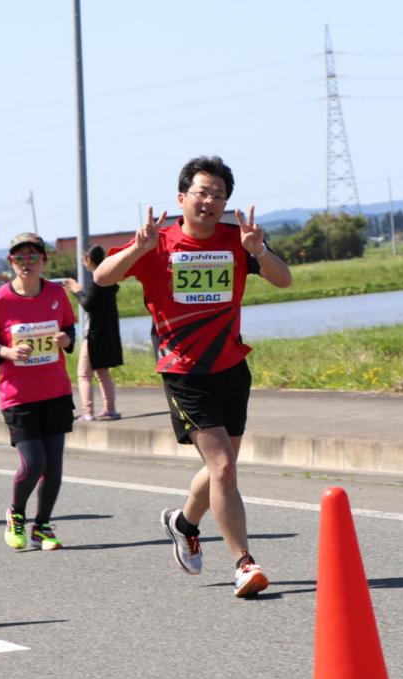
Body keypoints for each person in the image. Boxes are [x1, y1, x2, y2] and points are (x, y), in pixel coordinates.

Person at [94, 155, 293, 598]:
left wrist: (259, 251)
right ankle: (244, 562)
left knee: (223, 467)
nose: (209, 201)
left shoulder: (236, 240)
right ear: (182, 197)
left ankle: (183, 523)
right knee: (222, 465)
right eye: (202, 192)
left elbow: (285, 281)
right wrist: (137, 248)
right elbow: (102, 277)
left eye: (218, 195)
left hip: (231, 366)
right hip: (184, 371)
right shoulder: (158, 243)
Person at [0, 232, 76, 551]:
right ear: (11, 262)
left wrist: (65, 341)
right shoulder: (0, 300)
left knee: (54, 467)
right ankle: (16, 515)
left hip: (56, 390)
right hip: (19, 396)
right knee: (34, 464)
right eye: (20, 258)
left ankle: (42, 527)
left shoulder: (57, 293)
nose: (26, 263)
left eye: (33, 257)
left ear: (43, 260)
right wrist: (5, 353)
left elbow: (70, 329)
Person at [64, 245, 123, 421]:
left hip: (95, 334)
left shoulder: (96, 279)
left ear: (88, 260)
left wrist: (76, 290)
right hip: (107, 332)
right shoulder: (109, 279)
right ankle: (109, 409)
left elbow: (88, 304)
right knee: (102, 371)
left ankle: (88, 412)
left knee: (83, 374)